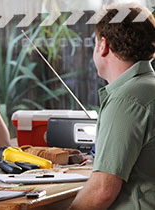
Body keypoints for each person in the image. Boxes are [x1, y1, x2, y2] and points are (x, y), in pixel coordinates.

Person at [69, 3, 155, 209]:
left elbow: (102, 191)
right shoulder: (148, 88)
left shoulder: (127, 99)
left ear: (103, 45)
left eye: (95, 42)